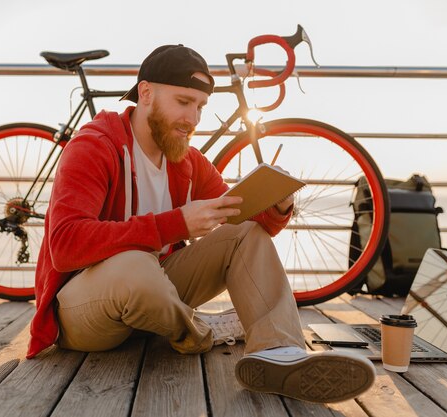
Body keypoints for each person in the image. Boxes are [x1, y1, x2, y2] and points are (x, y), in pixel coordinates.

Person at [27, 44, 376, 403]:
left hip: (155, 298)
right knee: (134, 263)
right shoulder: (94, 145)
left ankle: (279, 353)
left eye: (200, 107)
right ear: (145, 93)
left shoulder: (187, 161)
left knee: (244, 234)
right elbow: (65, 245)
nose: (193, 119)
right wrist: (175, 224)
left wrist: (277, 205)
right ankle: (202, 330)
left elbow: (247, 223)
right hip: (83, 313)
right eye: (183, 102)